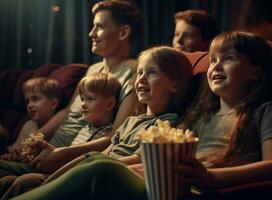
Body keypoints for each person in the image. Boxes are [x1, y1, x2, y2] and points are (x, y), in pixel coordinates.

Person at [13, 31, 272, 200]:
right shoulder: (200, 116)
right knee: (100, 161)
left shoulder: (264, 110)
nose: (215, 66)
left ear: (255, 71)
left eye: (228, 59)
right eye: (213, 59)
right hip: (162, 185)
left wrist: (212, 178)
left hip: (198, 191)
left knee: (103, 167)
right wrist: (126, 168)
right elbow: (157, 164)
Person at [10, 45, 193, 200]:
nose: (141, 79)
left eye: (151, 73)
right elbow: (105, 152)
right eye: (139, 73)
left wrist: (72, 171)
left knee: (27, 182)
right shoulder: (130, 121)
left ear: (174, 85)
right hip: (93, 169)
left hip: (111, 177)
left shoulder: (168, 125)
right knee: (21, 182)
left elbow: (136, 159)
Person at [0, 0, 143, 176]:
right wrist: (28, 142)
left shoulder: (135, 71)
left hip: (70, 158)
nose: (91, 34)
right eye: (92, 27)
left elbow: (116, 135)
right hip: (49, 150)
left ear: (123, 32)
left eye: (99, 27)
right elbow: (67, 112)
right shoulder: (93, 69)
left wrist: (62, 154)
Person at [0, 72, 121, 198]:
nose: (83, 104)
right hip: (56, 170)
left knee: (24, 182)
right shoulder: (85, 128)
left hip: (67, 175)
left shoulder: (107, 134)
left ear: (110, 104)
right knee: (6, 180)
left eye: (89, 99)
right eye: (82, 99)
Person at [0, 77, 64, 162]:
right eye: (27, 101)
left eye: (35, 99)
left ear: (53, 104)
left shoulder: (61, 128)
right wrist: (9, 156)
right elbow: (15, 150)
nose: (29, 105)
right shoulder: (29, 125)